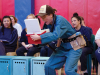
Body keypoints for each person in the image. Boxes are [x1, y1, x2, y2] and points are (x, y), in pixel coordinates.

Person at [30, 5, 82, 75]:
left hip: (74, 46)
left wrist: (40, 37)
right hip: (63, 46)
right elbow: (46, 36)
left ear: (51, 15)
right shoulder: (47, 23)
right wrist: (37, 41)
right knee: (48, 66)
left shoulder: (60, 20)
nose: (42, 19)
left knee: (69, 71)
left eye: (44, 17)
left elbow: (55, 35)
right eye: (41, 17)